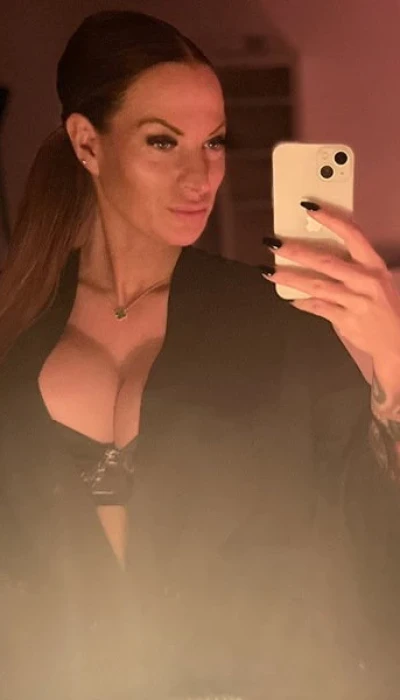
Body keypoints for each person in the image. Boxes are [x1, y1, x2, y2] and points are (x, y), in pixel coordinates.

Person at [1, 9, 400, 700]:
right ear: (87, 143)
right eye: (163, 142)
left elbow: (373, 528)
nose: (201, 176)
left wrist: (391, 358)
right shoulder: (22, 326)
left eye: (214, 143)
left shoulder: (276, 318)